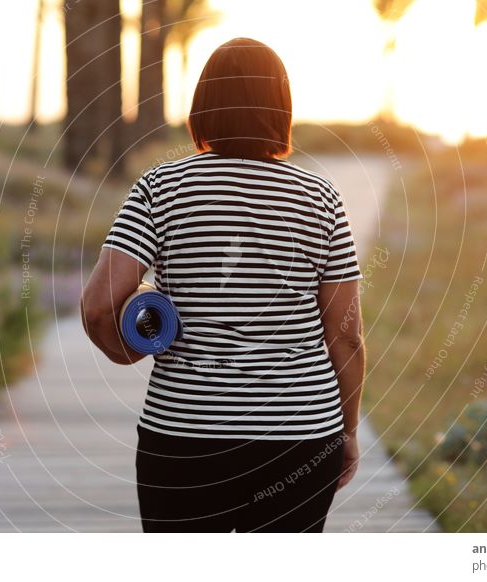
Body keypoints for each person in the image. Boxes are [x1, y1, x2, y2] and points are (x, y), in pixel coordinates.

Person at [81, 37, 366, 532]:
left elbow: (99, 307)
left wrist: (126, 351)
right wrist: (348, 430)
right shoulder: (321, 197)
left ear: (203, 106)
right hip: (299, 439)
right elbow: (345, 334)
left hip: (184, 440)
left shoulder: (160, 187)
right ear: (281, 108)